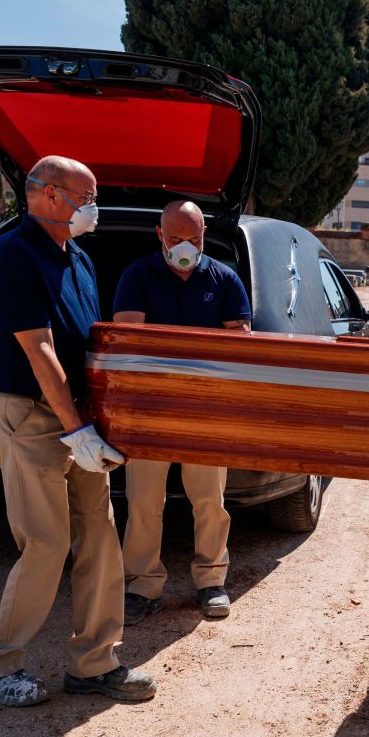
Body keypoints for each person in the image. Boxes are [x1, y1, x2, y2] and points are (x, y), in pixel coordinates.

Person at [0, 155, 155, 707]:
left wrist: (100, 415)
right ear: (49, 195)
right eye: (87, 195)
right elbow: (40, 350)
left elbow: (90, 340)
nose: (94, 207)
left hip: (76, 416)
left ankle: (94, 663)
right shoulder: (13, 255)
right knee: (47, 543)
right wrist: (77, 429)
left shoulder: (77, 257)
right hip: (30, 416)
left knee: (99, 537)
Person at [113, 200, 252, 623]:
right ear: (160, 236)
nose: (184, 247)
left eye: (193, 238)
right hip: (149, 411)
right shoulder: (138, 275)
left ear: (204, 236)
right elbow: (128, 338)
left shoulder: (224, 279)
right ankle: (141, 585)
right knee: (143, 502)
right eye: (175, 239)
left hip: (205, 411)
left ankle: (211, 581)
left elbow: (240, 344)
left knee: (209, 499)